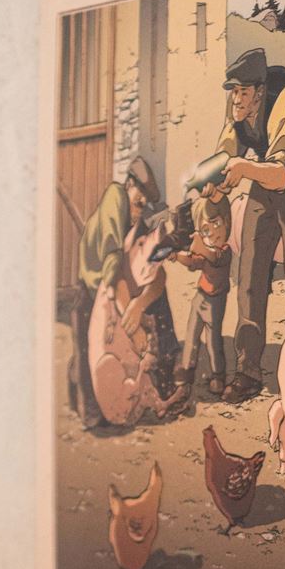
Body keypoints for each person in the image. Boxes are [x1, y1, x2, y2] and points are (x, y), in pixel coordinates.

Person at [212, 47, 285, 401]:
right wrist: (216, 182)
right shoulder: (237, 106)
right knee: (250, 268)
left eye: (243, 92)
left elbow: (281, 174)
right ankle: (247, 370)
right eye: (233, 91)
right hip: (265, 170)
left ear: (259, 92)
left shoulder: (282, 99)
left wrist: (243, 169)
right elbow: (227, 154)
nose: (236, 99)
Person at [72, 157, 161, 429]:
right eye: (138, 203)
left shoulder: (129, 221)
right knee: (86, 353)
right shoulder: (115, 196)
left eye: (143, 207)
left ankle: (100, 408)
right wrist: (114, 287)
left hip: (101, 290)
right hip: (93, 290)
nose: (138, 212)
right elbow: (112, 254)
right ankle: (92, 416)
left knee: (90, 351)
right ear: (129, 184)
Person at [172, 194, 233, 404]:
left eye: (217, 224)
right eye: (206, 230)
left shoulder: (224, 251)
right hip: (200, 296)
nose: (213, 232)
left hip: (216, 301)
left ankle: (218, 375)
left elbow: (213, 258)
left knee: (213, 341)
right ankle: (187, 369)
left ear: (227, 222)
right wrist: (177, 256)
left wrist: (200, 246)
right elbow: (193, 262)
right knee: (191, 335)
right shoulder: (205, 250)